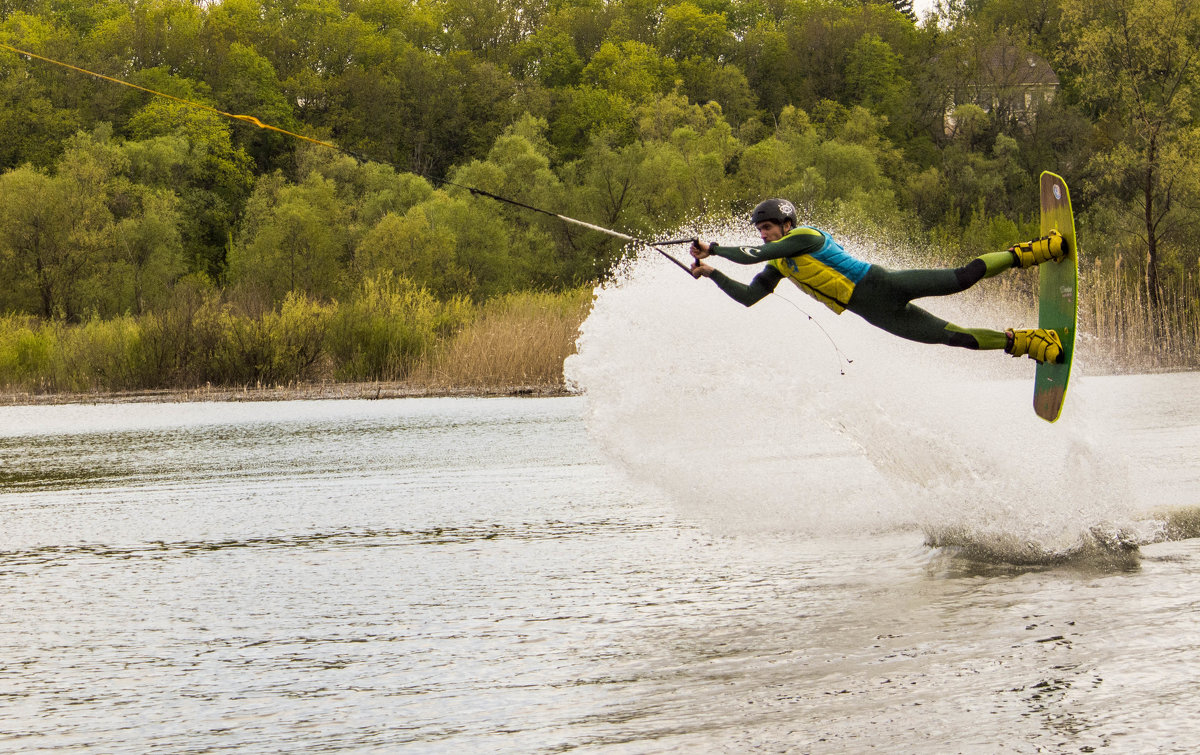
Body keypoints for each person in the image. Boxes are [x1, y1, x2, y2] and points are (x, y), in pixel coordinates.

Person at [688, 198, 1067, 363]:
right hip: (876, 314)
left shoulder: (805, 237)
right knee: (957, 338)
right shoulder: (780, 265)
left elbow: (753, 255)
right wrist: (713, 273)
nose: (764, 235)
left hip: (884, 285)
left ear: (786, 224)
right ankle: (1025, 343)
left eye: (768, 228)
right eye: (760, 230)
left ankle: (1031, 253)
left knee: (962, 278)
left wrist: (714, 248)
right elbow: (750, 296)